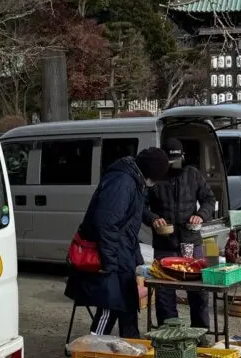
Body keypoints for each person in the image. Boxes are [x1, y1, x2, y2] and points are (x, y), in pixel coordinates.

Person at [65, 147, 172, 338]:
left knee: (128, 305)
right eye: (157, 177)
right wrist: (110, 263)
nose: (155, 183)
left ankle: (131, 350)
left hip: (123, 253)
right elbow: (106, 223)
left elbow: (131, 220)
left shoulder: (134, 180)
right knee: (111, 306)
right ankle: (91, 351)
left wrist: (137, 261)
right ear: (150, 172)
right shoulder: (123, 182)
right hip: (110, 255)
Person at [145, 139, 217, 333]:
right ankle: (169, 335)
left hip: (192, 243)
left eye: (176, 160)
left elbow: (210, 199)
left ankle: (201, 333)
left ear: (182, 158)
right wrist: (153, 219)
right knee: (164, 293)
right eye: (169, 161)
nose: (172, 165)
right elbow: (140, 206)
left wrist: (200, 215)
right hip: (164, 244)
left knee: (199, 291)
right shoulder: (153, 179)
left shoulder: (193, 174)